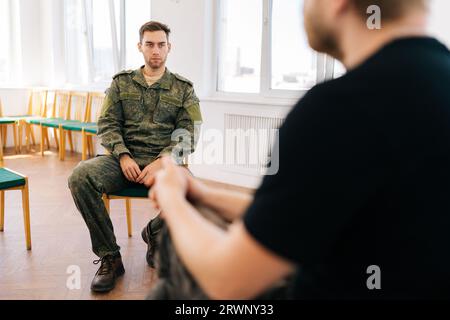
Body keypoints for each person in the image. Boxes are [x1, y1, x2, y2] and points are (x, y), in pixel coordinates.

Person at [148, 0, 450, 299]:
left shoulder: (339, 109)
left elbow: (228, 281)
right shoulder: (435, 78)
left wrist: (173, 197)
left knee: (168, 288)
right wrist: (203, 192)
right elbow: (298, 215)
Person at [68, 21, 202, 293]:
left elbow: (189, 132)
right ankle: (110, 257)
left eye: (161, 45)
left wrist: (163, 160)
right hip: (121, 163)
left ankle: (155, 233)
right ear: (140, 47)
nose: (156, 50)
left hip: (162, 163)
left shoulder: (184, 88)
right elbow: (106, 123)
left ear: (169, 48)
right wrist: (123, 155)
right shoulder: (121, 83)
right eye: (150, 44)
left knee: (194, 190)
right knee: (80, 176)